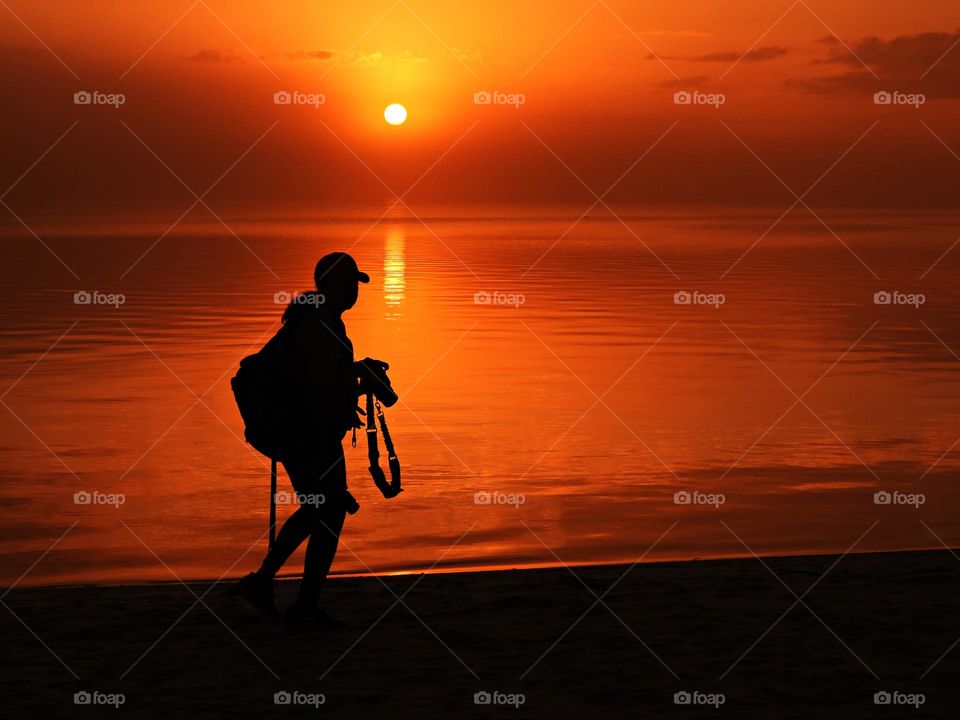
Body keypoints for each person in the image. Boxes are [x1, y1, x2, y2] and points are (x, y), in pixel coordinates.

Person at [237, 251, 384, 628]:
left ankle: (264, 584)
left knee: (320, 508)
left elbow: (318, 375)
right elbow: (320, 387)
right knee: (328, 511)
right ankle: (302, 606)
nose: (355, 291)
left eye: (357, 283)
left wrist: (354, 370)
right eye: (351, 283)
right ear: (332, 285)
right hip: (306, 432)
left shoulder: (318, 320)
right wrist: (358, 380)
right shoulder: (319, 325)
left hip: (302, 430)